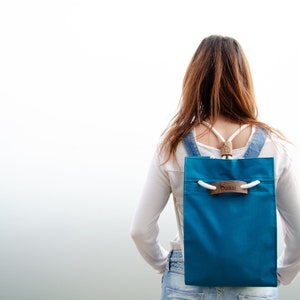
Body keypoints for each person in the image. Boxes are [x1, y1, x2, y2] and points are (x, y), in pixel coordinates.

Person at [130, 35, 300, 299]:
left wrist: (169, 265)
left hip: (185, 283)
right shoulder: (276, 146)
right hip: (254, 282)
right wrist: (281, 273)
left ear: (195, 80)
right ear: (245, 80)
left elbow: (140, 230)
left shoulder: (172, 145)